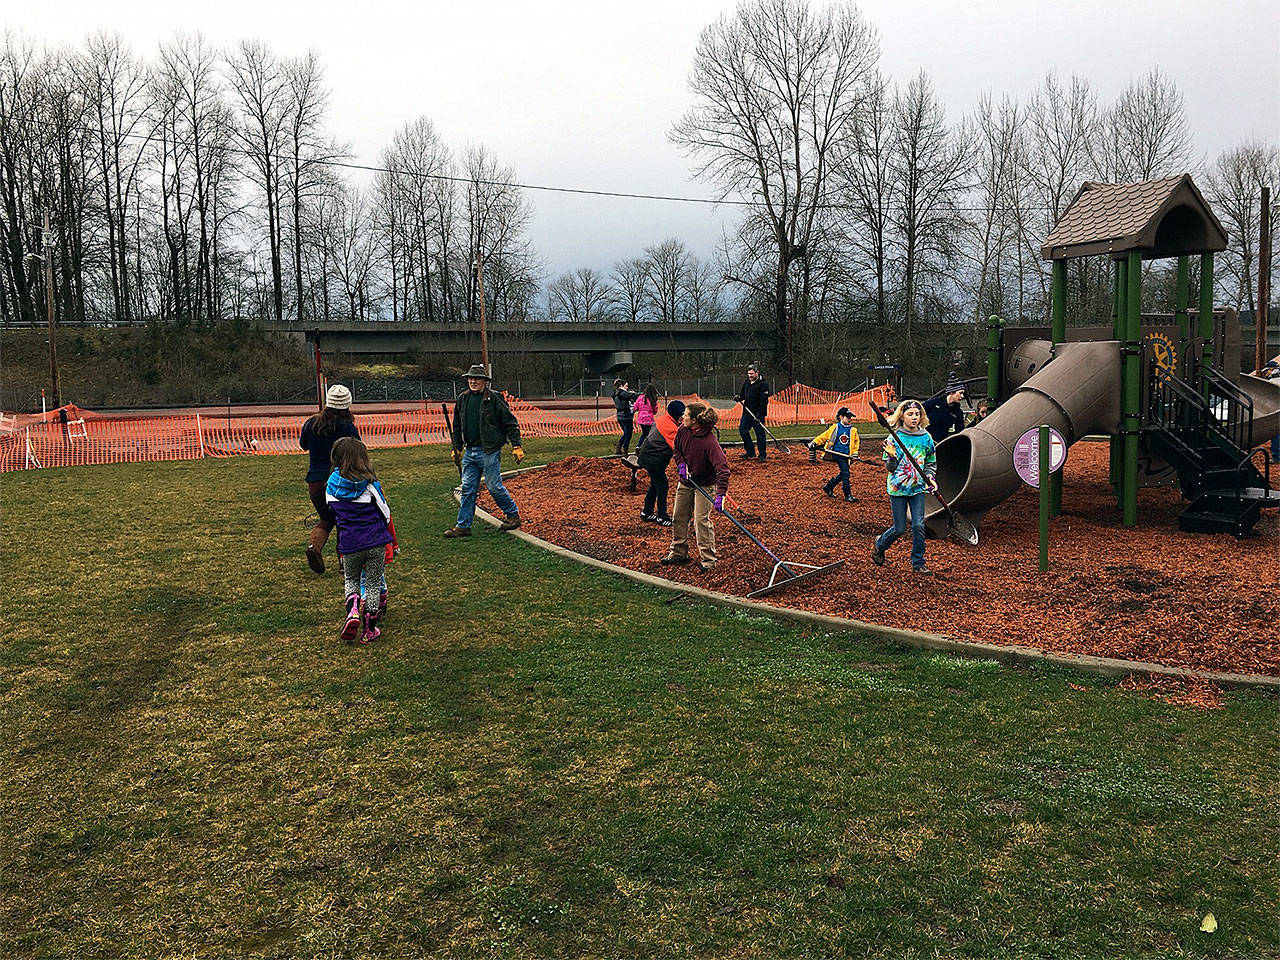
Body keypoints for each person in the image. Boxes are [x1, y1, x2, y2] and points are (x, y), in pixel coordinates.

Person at [326, 437, 393, 644]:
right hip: (375, 541)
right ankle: (369, 628)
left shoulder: (331, 487)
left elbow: (331, 509)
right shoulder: (370, 484)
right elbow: (386, 513)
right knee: (372, 582)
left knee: (351, 580)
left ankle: (353, 609)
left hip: (349, 543)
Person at [445, 364, 526, 537]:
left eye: (477, 379)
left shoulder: (494, 399)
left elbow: (510, 423)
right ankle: (463, 526)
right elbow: (457, 426)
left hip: (489, 450)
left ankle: (513, 515)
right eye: (470, 378)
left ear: (485, 382)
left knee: (493, 486)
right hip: (470, 452)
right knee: (467, 488)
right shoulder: (463, 399)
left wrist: (516, 445)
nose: (473, 381)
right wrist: (457, 447)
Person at [662, 400, 730, 573]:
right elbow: (677, 450)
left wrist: (720, 494)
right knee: (679, 517)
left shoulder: (709, 442)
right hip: (686, 483)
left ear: (694, 420)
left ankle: (708, 560)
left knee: (701, 521)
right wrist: (682, 465)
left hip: (705, 485)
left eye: (686, 414)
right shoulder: (683, 431)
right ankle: (678, 553)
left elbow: (722, 468)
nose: (682, 416)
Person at [871, 399, 938, 575]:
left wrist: (930, 477)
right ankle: (880, 544)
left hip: (917, 489)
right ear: (902, 416)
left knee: (918, 525)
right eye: (910, 414)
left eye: (917, 414)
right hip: (898, 489)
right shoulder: (894, 438)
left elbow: (931, 462)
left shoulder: (926, 438)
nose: (914, 417)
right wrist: (892, 457)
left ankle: (918, 563)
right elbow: (890, 468)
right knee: (899, 528)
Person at [300, 384, 360, 573]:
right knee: (344, 519)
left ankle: (314, 547)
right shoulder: (347, 427)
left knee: (326, 517)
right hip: (338, 481)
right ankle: (344, 562)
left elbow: (303, 445)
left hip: (315, 482)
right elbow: (357, 451)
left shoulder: (311, 423)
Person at [635, 399, 685, 526]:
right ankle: (661, 516)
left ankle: (647, 512)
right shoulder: (670, 428)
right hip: (653, 459)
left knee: (655, 484)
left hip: (649, 456)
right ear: (675, 415)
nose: (682, 418)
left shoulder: (665, 419)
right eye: (681, 415)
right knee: (662, 485)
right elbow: (678, 447)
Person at [808, 406, 861, 502]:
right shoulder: (835, 427)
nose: (849, 419)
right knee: (846, 473)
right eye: (847, 417)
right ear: (841, 417)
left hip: (847, 455)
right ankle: (847, 494)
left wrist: (855, 453)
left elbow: (856, 443)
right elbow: (824, 436)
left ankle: (829, 486)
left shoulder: (853, 430)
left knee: (843, 474)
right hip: (837, 454)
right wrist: (814, 442)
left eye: (850, 417)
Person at [734, 363, 772, 461]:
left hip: (758, 414)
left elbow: (764, 402)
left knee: (760, 434)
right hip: (747, 412)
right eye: (749, 374)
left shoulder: (763, 384)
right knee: (743, 430)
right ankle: (750, 452)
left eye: (752, 374)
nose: (750, 376)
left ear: (757, 373)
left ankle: (762, 454)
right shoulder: (747, 382)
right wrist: (738, 397)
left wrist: (759, 415)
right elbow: (743, 395)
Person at [923, 372, 967, 443]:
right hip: (924, 440)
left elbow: (959, 431)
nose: (962, 396)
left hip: (939, 443)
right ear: (952, 392)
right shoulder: (934, 403)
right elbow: (919, 411)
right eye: (960, 393)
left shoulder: (958, 412)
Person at [612, 378, 639, 456]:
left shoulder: (616, 394)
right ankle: (625, 449)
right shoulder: (622, 393)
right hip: (626, 416)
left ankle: (619, 447)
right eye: (626, 386)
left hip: (620, 416)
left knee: (626, 433)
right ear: (621, 386)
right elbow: (631, 395)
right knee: (628, 433)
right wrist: (642, 395)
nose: (627, 388)